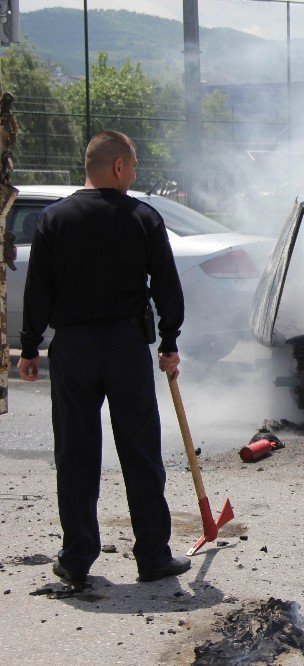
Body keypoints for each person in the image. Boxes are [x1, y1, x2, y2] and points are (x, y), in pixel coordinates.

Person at [17, 130, 191, 584]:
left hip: (72, 349)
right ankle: (152, 556)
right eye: (132, 167)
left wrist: (31, 346)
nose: (133, 176)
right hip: (126, 347)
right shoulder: (143, 218)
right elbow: (168, 288)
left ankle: (76, 558)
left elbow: (38, 289)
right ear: (118, 167)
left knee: (75, 454)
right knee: (140, 452)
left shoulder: (54, 219)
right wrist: (170, 343)